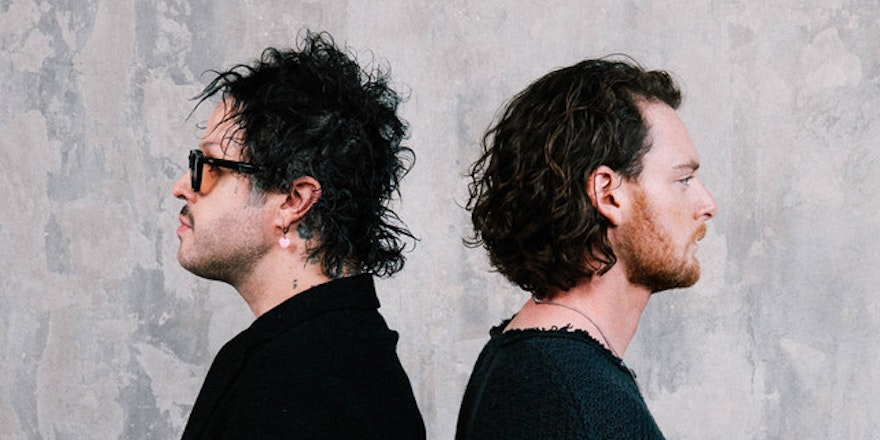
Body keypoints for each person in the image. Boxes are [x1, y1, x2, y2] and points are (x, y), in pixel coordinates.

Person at [171, 31, 425, 439]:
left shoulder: (309, 386)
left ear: (294, 200)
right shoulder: (313, 356)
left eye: (212, 164)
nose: (183, 186)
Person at [455, 57, 718, 439]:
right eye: (684, 179)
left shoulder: (528, 362)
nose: (707, 204)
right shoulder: (577, 396)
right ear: (608, 194)